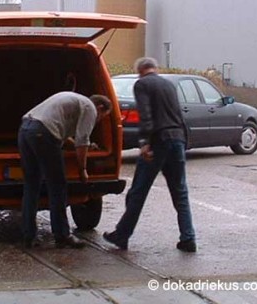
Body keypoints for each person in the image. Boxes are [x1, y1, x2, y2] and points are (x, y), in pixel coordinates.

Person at [103, 57, 197, 253]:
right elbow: (178, 115)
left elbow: (146, 114)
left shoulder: (142, 84)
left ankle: (122, 235)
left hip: (158, 141)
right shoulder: (169, 85)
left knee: (138, 190)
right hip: (177, 139)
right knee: (180, 192)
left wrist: (145, 142)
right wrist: (184, 141)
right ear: (155, 68)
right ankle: (188, 238)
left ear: (140, 71)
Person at [18, 91, 112, 249]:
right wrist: (82, 169)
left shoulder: (75, 101)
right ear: (100, 107)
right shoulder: (90, 108)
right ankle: (62, 235)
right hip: (42, 133)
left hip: (26, 129)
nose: (99, 120)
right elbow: (81, 141)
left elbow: (61, 134)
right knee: (57, 187)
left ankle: (29, 236)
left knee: (31, 186)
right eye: (102, 116)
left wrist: (83, 144)